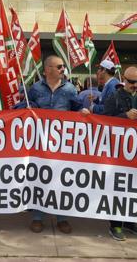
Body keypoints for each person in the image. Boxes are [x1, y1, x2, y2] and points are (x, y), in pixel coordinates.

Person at [27, 55, 90, 234]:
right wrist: (27, 108)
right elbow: (26, 104)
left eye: (63, 67)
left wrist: (84, 111)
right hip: (40, 142)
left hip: (63, 142)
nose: (63, 69)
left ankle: (62, 217)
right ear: (48, 69)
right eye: (59, 67)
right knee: (40, 177)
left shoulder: (70, 88)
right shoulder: (35, 88)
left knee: (62, 178)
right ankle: (37, 216)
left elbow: (76, 107)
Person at [103, 66, 137, 241]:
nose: (135, 85)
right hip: (118, 151)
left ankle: (129, 222)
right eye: (131, 82)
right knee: (118, 188)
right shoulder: (113, 97)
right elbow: (105, 121)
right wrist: (125, 116)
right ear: (124, 80)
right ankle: (115, 225)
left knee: (135, 188)